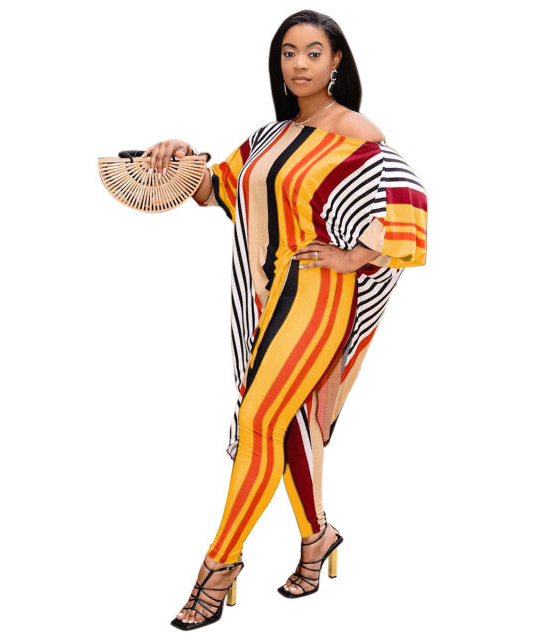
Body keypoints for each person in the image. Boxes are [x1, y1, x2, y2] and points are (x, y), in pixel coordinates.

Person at [142, 9, 427, 631]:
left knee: (258, 422)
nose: (300, 64)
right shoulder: (268, 136)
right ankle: (318, 538)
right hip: (266, 299)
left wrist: (356, 255)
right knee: (286, 424)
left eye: (314, 52)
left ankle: (218, 568)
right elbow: (214, 191)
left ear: (337, 61)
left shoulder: (356, 131)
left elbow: (408, 197)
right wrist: (179, 154)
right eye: (289, 52)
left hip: (320, 295)